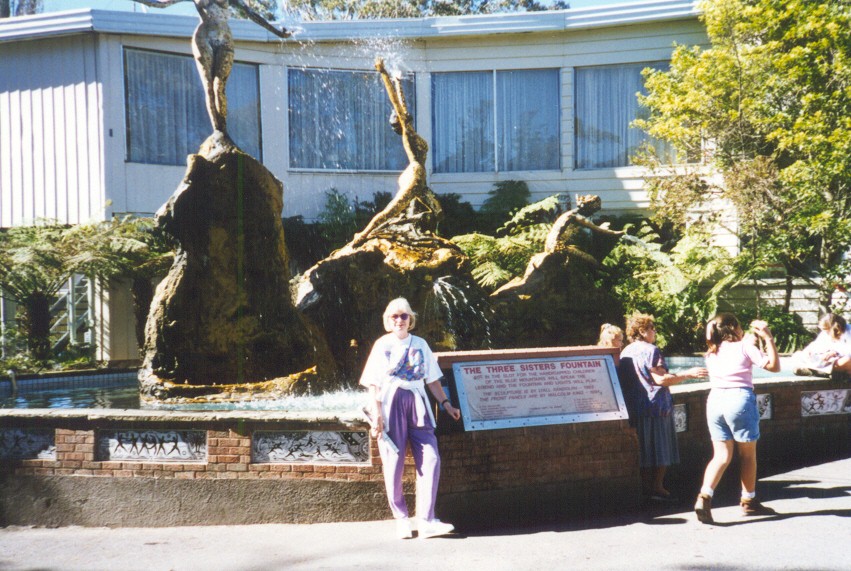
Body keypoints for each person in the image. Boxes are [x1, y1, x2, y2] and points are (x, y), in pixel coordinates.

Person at [360, 297, 461, 539]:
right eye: (394, 316)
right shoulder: (382, 345)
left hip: (418, 403)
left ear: (410, 319)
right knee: (393, 462)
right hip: (391, 404)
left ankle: (426, 520)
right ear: (388, 320)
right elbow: (373, 383)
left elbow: (432, 380)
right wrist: (377, 414)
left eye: (404, 315)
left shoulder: (421, 344)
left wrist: (446, 404)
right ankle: (402, 519)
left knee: (431, 458)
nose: (399, 320)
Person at [134, 0, 289, 133]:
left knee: (219, 85)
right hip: (204, 38)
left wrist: (278, 32)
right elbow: (161, 4)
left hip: (225, 39)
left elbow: (252, 14)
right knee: (209, 86)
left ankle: (223, 130)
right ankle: (218, 131)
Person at [694, 313, 780, 524]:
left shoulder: (711, 352)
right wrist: (768, 338)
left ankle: (704, 496)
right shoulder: (744, 347)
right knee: (748, 455)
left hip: (715, 401)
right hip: (739, 399)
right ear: (733, 327)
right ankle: (748, 500)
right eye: (739, 326)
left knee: (721, 455)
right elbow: (774, 366)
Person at [618, 313, 707, 500]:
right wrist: (688, 374)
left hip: (635, 408)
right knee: (661, 449)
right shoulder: (652, 351)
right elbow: (660, 379)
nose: (655, 331)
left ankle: (645, 488)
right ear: (642, 331)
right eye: (652, 328)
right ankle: (658, 487)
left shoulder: (625, 352)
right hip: (657, 408)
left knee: (644, 452)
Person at [791, 313, 851, 378]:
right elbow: (816, 346)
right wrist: (809, 352)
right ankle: (822, 371)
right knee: (797, 355)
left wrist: (835, 353)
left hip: (841, 360)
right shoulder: (825, 333)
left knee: (847, 361)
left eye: (825, 329)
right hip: (828, 362)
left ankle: (817, 371)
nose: (824, 331)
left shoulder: (849, 331)